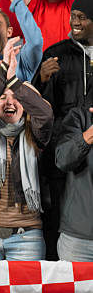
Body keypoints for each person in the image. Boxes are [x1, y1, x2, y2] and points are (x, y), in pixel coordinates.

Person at [0, 42, 53, 260]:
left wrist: (15, 83)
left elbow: (45, 114)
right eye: (2, 97)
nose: (9, 102)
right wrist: (4, 67)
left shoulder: (36, 137)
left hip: (27, 239)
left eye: (15, 97)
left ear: (25, 103)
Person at [31, 0, 93, 259]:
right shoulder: (55, 54)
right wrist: (41, 81)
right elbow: (35, 106)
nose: (74, 22)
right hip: (63, 152)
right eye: (73, 16)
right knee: (59, 217)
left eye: (82, 17)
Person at [55, 106, 93, 261]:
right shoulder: (79, 117)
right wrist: (90, 134)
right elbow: (63, 160)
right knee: (73, 286)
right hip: (79, 242)